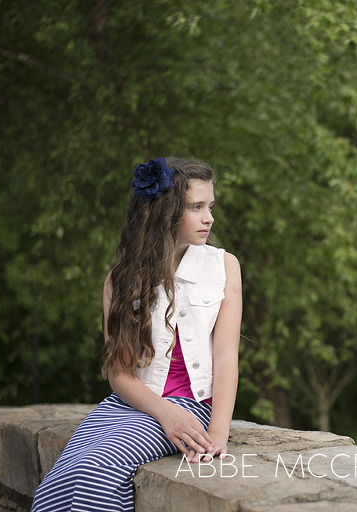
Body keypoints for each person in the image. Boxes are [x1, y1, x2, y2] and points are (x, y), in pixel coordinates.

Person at [31, 157, 242, 512]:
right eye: (196, 207)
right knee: (63, 477)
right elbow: (120, 374)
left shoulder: (223, 266)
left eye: (210, 207)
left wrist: (218, 434)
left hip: (192, 407)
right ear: (164, 212)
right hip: (131, 405)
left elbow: (225, 356)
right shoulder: (121, 279)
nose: (209, 218)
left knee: (98, 470)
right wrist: (164, 414)